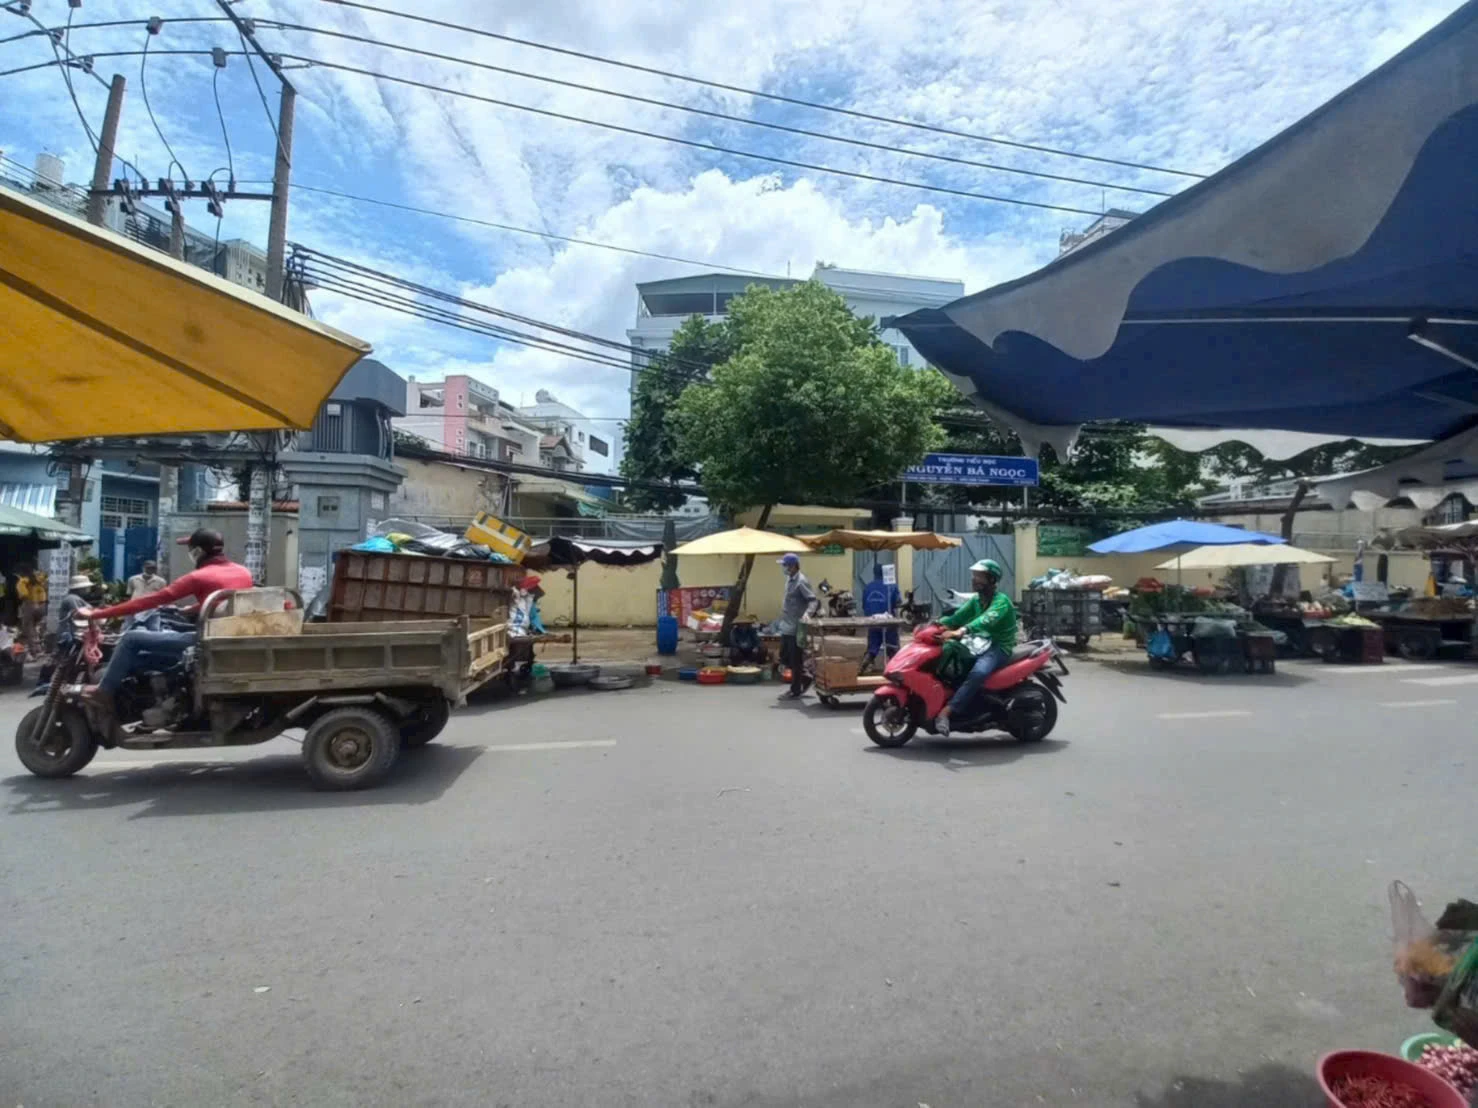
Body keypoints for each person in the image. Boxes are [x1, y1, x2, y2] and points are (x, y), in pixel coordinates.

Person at [78, 528, 253, 717]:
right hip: (230, 636)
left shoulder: (198, 577)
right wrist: (192, 609)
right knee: (139, 657)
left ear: (198, 552)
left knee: (130, 639)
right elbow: (228, 601)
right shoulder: (243, 571)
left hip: (205, 641)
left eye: (190, 548)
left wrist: (97, 613)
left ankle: (103, 692)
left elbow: (149, 601)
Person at [935, 559, 1017, 737]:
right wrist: (935, 625)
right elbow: (956, 617)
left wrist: (962, 630)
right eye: (974, 576)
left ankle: (946, 713)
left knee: (978, 673)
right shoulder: (976, 601)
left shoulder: (1001, 601)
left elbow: (986, 619)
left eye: (979, 576)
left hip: (998, 647)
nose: (974, 580)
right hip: (979, 643)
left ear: (992, 580)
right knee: (951, 658)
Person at [775, 552, 817, 700]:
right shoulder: (789, 579)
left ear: (792, 566)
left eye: (785, 565)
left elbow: (813, 600)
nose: (783, 568)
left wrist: (808, 614)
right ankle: (805, 676)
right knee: (784, 657)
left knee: (795, 659)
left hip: (796, 627)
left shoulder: (801, 581)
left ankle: (795, 689)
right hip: (786, 625)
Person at [859, 563, 902, 673]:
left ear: (874, 573)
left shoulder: (868, 587)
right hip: (888, 621)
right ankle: (896, 670)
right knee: (892, 646)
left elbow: (864, 605)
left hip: (873, 621)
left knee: (873, 646)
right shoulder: (892, 586)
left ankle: (864, 664)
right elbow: (898, 603)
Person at [124, 559, 169, 632]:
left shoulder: (161, 581)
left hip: (152, 610)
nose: (150, 570)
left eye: (153, 568)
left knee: (154, 631)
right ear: (143, 568)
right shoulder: (133, 579)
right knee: (128, 629)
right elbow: (129, 594)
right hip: (135, 608)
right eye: (148, 568)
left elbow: (163, 596)